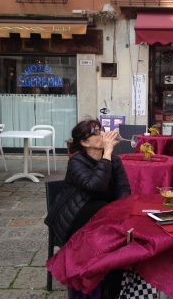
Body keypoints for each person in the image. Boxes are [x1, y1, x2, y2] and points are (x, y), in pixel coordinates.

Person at [45, 118, 131, 298]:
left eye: (101, 129)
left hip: (102, 216)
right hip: (74, 215)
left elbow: (123, 189)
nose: (103, 134)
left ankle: (112, 287)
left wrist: (118, 212)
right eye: (96, 132)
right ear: (84, 142)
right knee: (105, 233)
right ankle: (91, 285)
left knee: (123, 235)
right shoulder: (77, 162)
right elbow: (95, 186)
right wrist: (107, 153)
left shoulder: (115, 161)